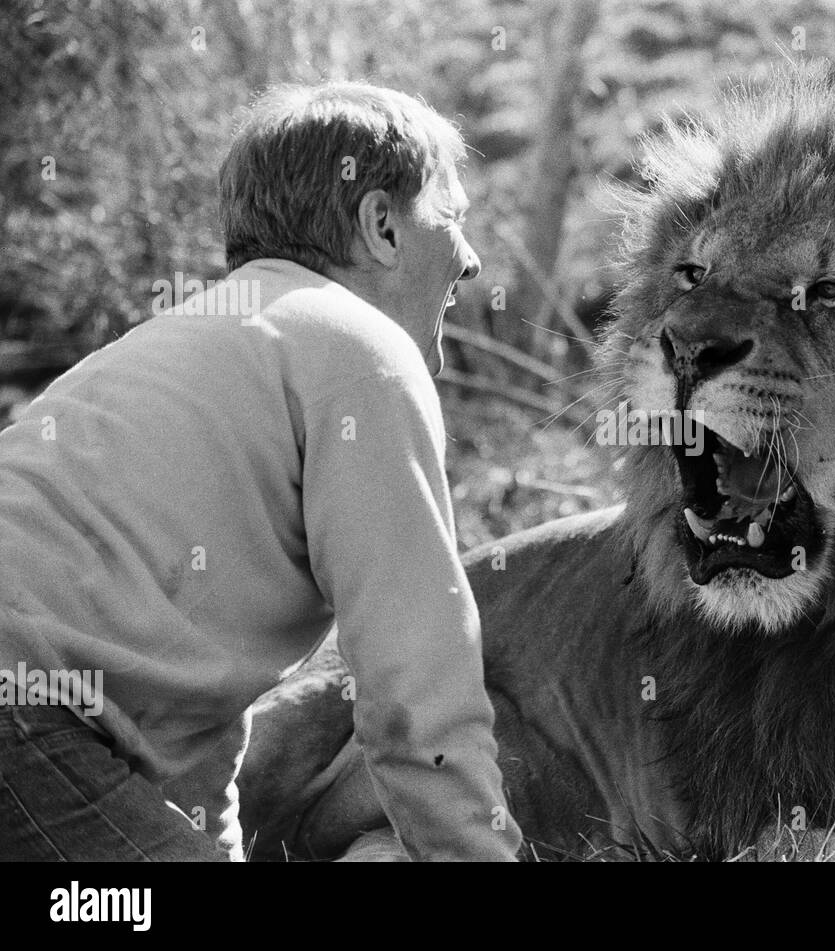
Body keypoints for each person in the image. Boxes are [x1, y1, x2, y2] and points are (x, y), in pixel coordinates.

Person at [0, 82, 522, 861]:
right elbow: (417, 679)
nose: (471, 261)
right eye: (452, 219)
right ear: (381, 224)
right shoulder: (360, 352)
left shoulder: (197, 338)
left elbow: (193, 720)